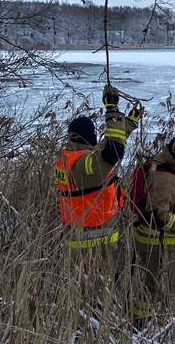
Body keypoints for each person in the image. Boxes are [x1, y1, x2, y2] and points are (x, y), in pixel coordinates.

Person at [131, 134, 175, 328]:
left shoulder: (166, 166)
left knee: (151, 286)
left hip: (155, 238)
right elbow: (159, 216)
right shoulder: (165, 178)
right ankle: (167, 330)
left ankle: (140, 325)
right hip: (159, 240)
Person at [56, 84, 143, 249]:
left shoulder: (74, 157)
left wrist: (130, 122)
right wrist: (112, 109)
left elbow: (105, 147)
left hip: (81, 236)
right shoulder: (84, 165)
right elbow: (112, 151)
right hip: (93, 243)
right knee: (99, 276)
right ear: (90, 136)